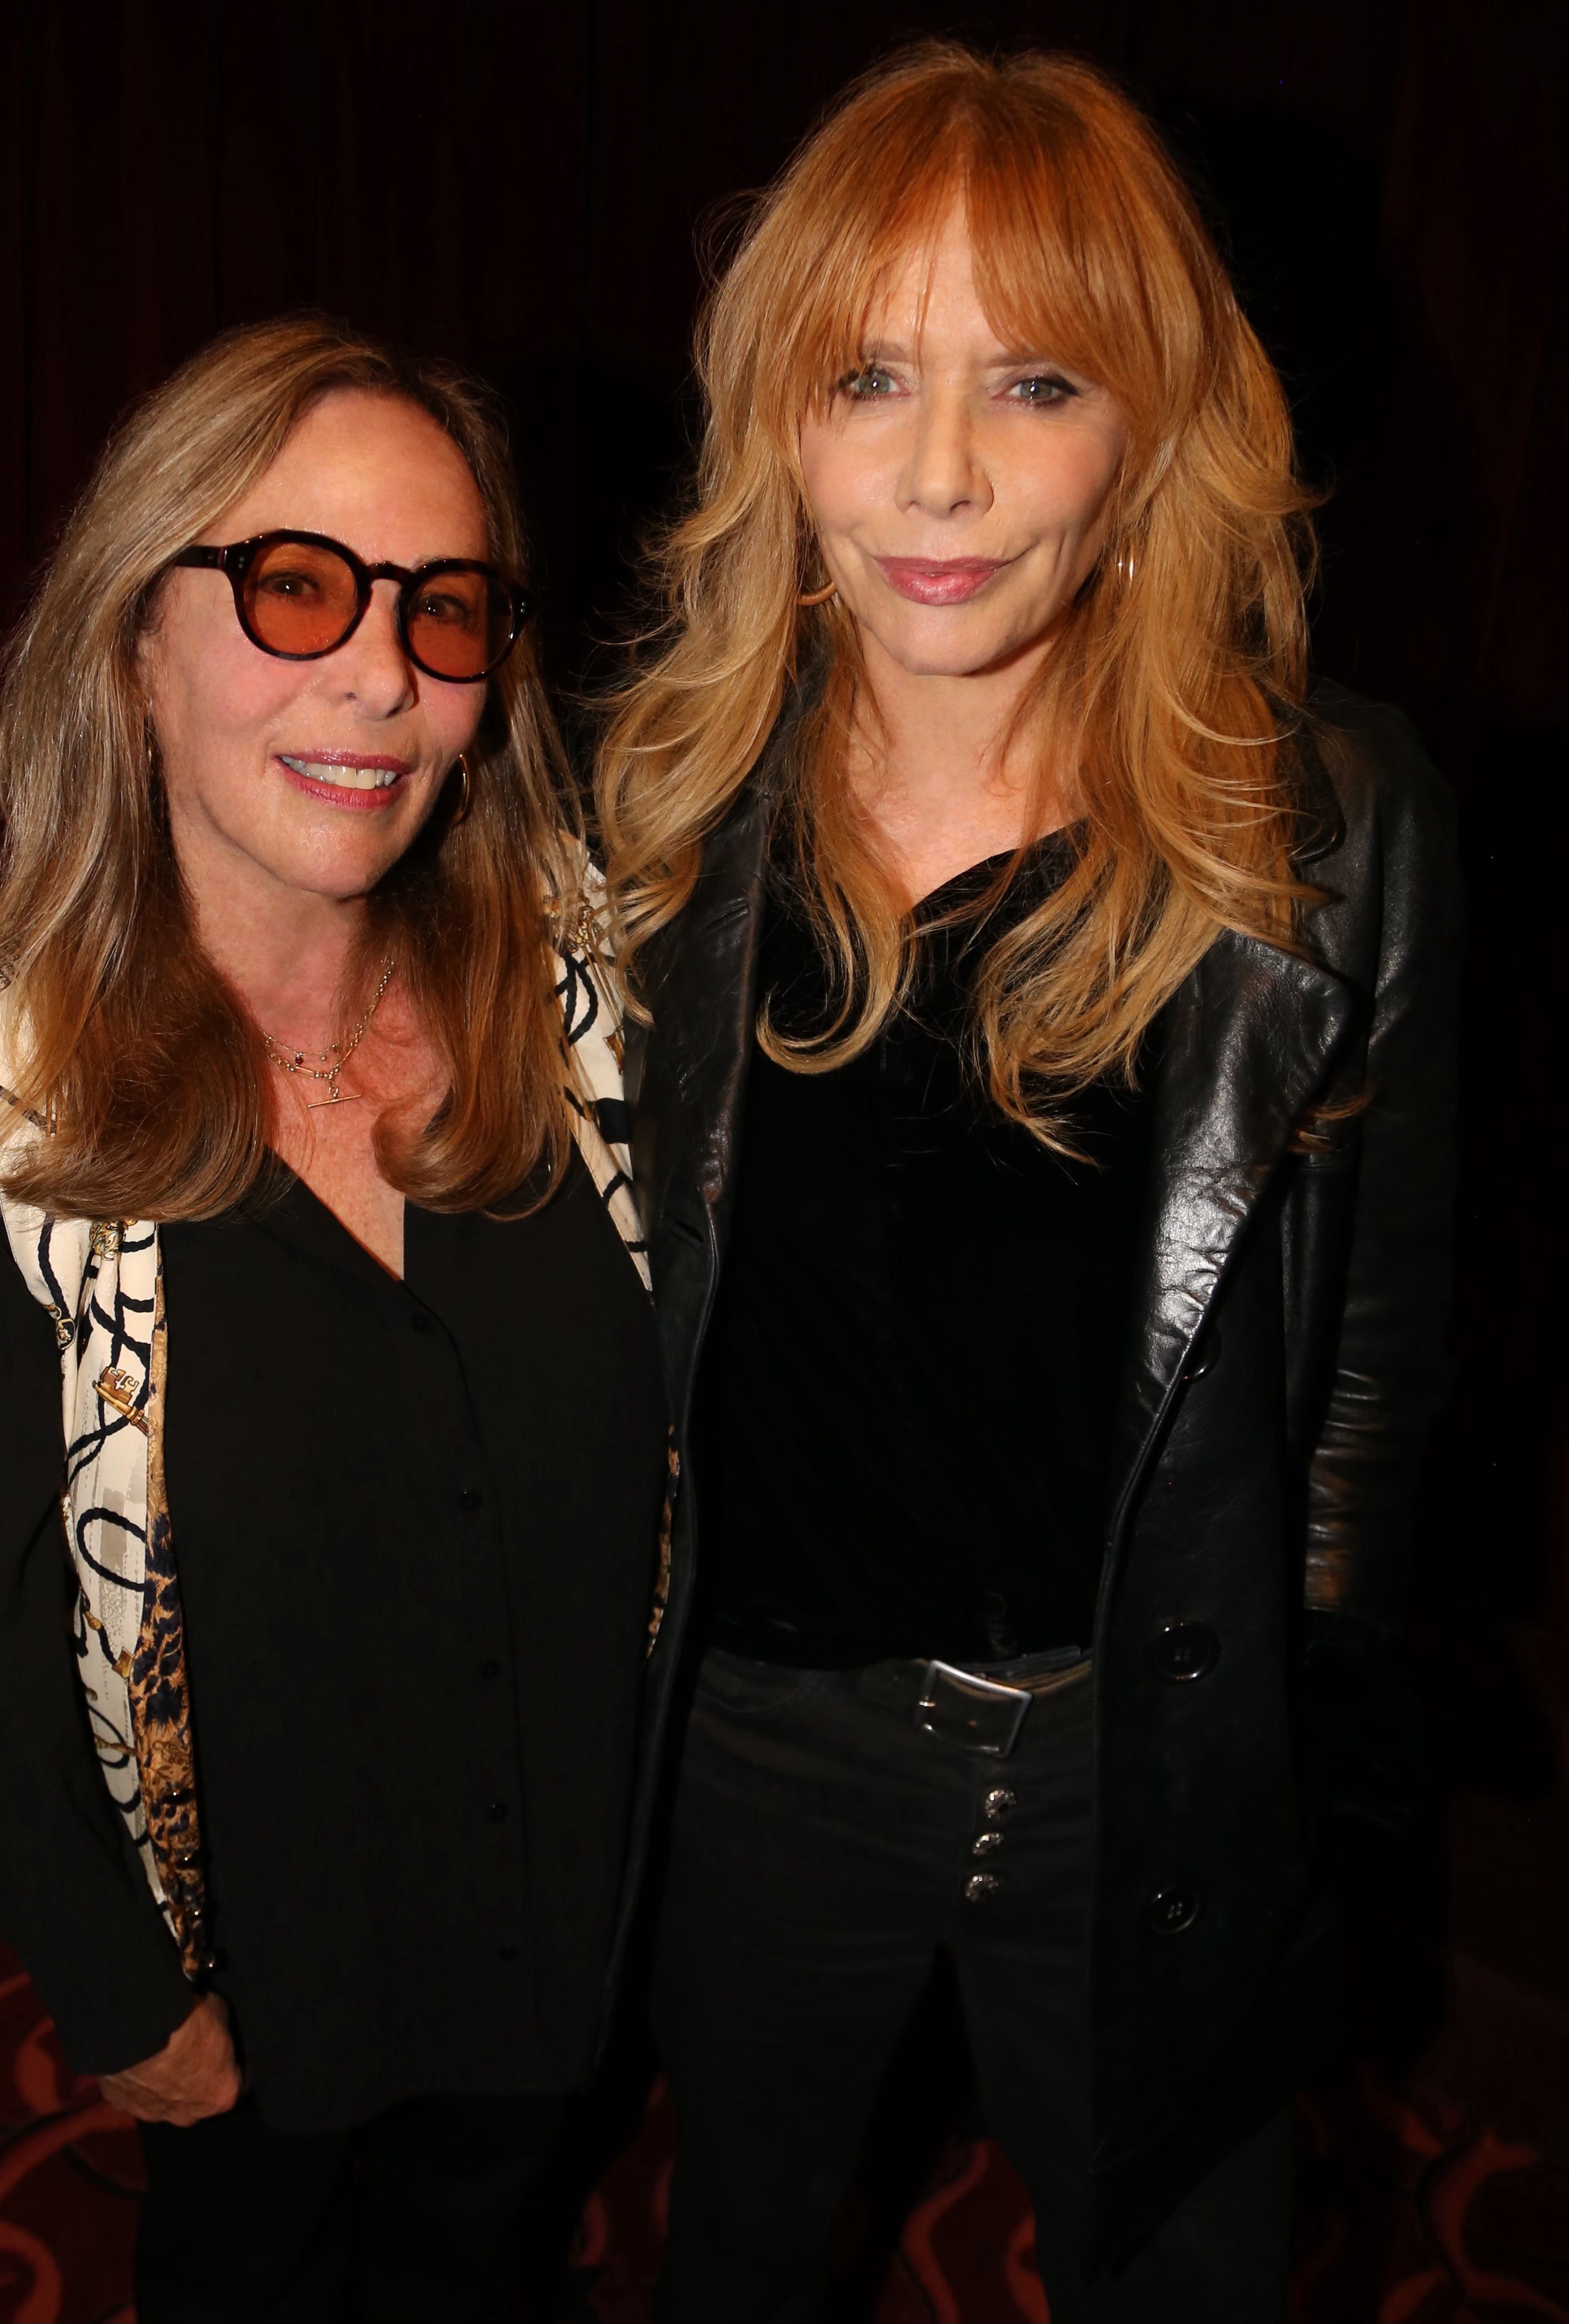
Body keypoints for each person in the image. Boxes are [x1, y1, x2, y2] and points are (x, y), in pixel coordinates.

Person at [597, 43, 1458, 2324]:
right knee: (740, 2246)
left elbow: (1364, 1381)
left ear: (1153, 429)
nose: (942, 473)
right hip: (763, 1736)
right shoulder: (663, 815)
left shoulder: (1328, 828)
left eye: (1039, 381)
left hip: (1134, 1734)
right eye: (869, 376)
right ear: (778, 423)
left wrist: (1310, 1775)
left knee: (1185, 2259)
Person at [0, 317, 671, 2323]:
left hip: (572, 1927)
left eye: (442, 608)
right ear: (137, 643)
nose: (380, 674)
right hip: (258, 1993)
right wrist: (119, 1989)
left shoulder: (594, 1006)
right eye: (297, 585)